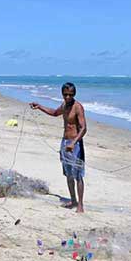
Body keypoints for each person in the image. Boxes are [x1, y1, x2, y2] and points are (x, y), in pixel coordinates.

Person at [30, 82, 87, 213]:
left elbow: (84, 128)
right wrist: (39, 107)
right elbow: (55, 113)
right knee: (68, 174)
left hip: (76, 144)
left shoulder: (78, 107)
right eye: (65, 95)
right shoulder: (64, 105)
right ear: (62, 94)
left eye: (70, 95)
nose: (68, 97)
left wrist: (74, 142)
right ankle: (73, 200)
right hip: (65, 142)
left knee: (78, 175)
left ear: (74, 94)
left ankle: (80, 205)